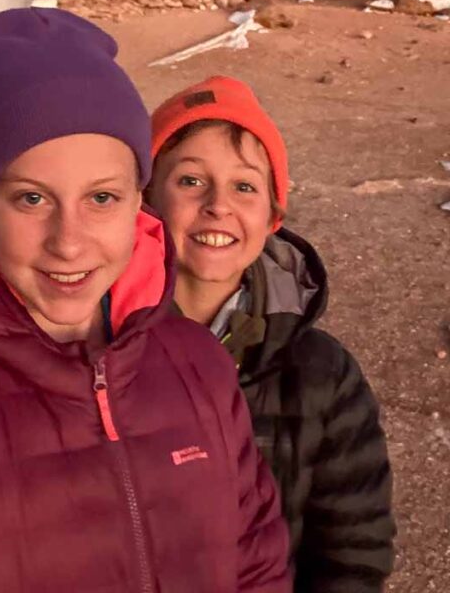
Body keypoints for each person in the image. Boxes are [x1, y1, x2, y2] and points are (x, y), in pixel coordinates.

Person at [0, 8, 291, 593]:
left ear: (137, 204)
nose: (68, 243)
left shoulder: (197, 362)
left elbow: (256, 558)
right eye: (31, 199)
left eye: (101, 198)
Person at [146, 75, 395, 592]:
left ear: (272, 216)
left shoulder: (322, 375)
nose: (219, 204)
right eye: (190, 181)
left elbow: (353, 550)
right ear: (146, 201)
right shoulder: (101, 354)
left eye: (244, 186)